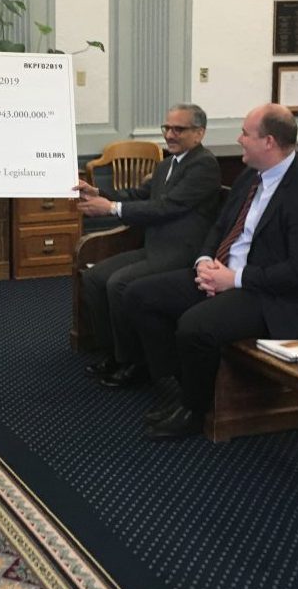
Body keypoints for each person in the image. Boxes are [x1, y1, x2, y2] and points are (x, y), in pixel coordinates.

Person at [124, 103, 298, 440]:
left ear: (268, 142)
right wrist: (204, 261)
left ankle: (195, 410)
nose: (239, 139)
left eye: (245, 133)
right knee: (140, 295)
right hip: (227, 275)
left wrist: (234, 279)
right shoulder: (251, 175)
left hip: (274, 297)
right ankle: (184, 385)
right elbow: (221, 226)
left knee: (194, 325)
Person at [74, 103, 222, 388]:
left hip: (182, 253)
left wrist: (111, 208)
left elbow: (168, 207)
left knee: (118, 283)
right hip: (155, 248)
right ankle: (115, 353)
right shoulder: (166, 164)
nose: (170, 134)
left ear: (199, 133)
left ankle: (136, 363)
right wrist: (99, 192)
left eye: (178, 129)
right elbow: (138, 196)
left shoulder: (204, 165)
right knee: (94, 277)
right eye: (167, 128)